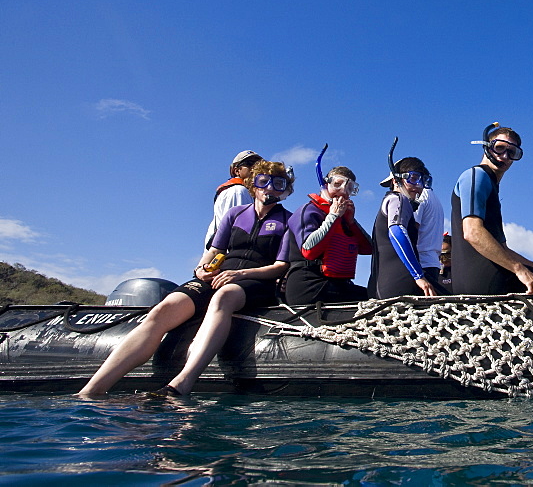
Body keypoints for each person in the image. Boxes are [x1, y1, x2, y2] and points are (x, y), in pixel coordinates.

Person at [79, 160, 295, 397]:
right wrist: (201, 269)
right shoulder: (235, 214)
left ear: (285, 191)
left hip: (255, 281)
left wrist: (239, 274)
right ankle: (92, 390)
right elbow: (214, 250)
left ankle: (181, 383)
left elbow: (279, 266)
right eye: (263, 181)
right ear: (252, 185)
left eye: (278, 183)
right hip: (218, 275)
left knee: (223, 297)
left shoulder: (288, 221)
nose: (270, 188)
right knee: (164, 309)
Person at [451, 123, 533, 295]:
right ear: (486, 147)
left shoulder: (490, 185)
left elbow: (504, 250)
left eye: (513, 153)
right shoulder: (477, 175)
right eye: (500, 147)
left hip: (475, 279)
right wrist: (519, 270)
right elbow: (472, 232)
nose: (504, 156)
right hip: (484, 279)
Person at [284, 164, 372, 305]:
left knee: (374, 295)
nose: (343, 191)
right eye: (337, 185)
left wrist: (351, 222)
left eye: (349, 188)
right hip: (309, 285)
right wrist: (333, 216)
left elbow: (369, 248)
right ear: (325, 185)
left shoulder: (344, 218)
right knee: (370, 300)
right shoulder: (308, 211)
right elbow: (308, 250)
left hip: (337, 283)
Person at [368, 154, 437, 299]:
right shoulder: (398, 199)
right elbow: (397, 232)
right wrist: (418, 276)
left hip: (383, 285)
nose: (418, 187)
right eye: (413, 179)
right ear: (396, 181)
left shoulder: (389, 202)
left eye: (423, 181)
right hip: (399, 285)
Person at [204, 150, 262, 249]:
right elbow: (238, 230)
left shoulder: (244, 192)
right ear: (237, 171)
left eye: (259, 165)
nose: (255, 168)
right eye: (250, 164)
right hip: (229, 256)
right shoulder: (239, 191)